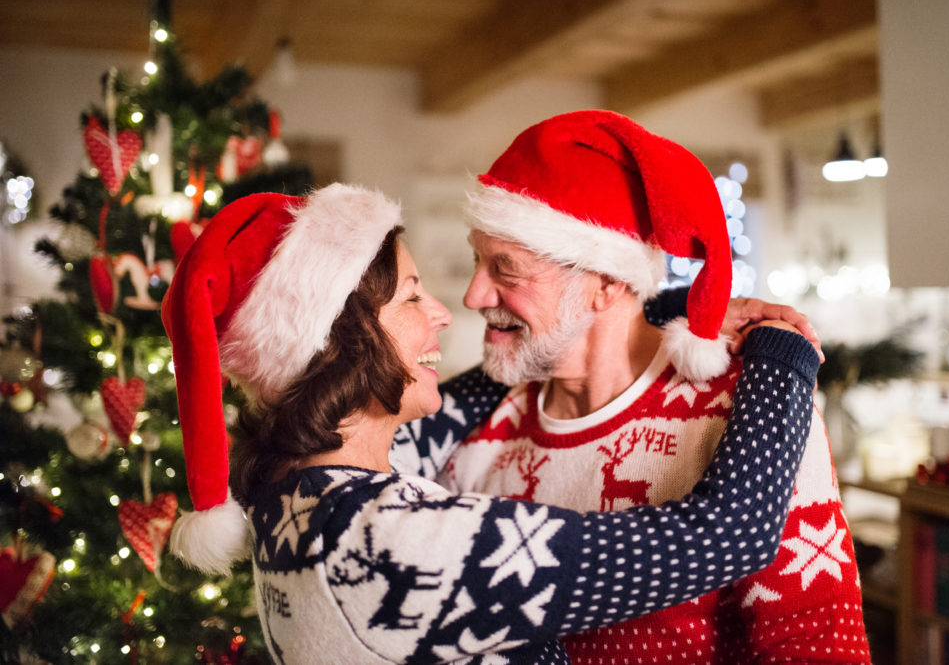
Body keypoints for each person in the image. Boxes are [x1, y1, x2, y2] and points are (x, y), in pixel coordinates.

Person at [161, 182, 823, 664]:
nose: (450, 310)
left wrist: (649, 304)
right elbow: (730, 535)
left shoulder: (297, 496)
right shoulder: (395, 545)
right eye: (412, 295)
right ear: (343, 346)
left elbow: (461, 404)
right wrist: (782, 349)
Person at [395, 110, 872, 664]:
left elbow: (814, 645)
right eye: (478, 261)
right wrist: (677, 306)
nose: (474, 296)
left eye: (505, 269)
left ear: (607, 283)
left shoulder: (748, 415)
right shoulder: (464, 426)